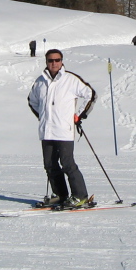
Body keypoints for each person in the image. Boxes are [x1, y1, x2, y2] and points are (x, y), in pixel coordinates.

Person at [27, 49, 95, 209]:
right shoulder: (40, 81)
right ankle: (61, 195)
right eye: (51, 60)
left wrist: (79, 115)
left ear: (62, 61)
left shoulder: (70, 79)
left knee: (67, 163)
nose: (54, 63)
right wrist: (43, 115)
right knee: (49, 164)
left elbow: (90, 94)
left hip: (64, 130)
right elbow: (32, 100)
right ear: (46, 62)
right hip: (46, 130)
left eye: (57, 60)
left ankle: (80, 196)